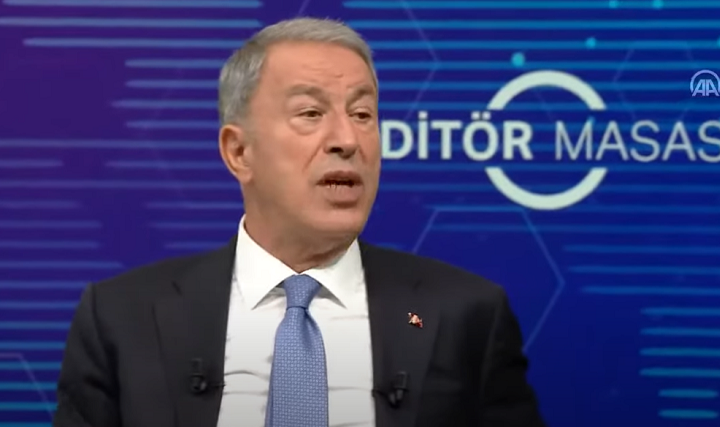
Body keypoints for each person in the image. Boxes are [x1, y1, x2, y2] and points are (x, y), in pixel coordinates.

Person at [53, 17, 546, 427]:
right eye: (311, 113)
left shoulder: (467, 316)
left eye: (363, 114)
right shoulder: (122, 318)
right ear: (239, 151)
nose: (347, 140)